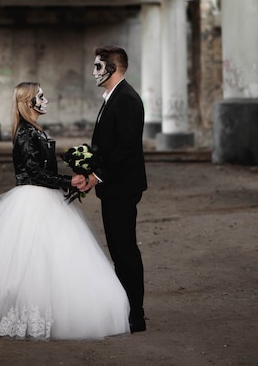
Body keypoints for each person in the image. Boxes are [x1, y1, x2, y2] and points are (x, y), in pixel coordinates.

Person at [0, 82, 130, 341]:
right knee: (29, 259)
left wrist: (70, 173)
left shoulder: (36, 130)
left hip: (46, 196)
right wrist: (68, 182)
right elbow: (33, 173)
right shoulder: (25, 133)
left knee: (49, 258)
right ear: (28, 102)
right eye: (40, 96)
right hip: (32, 199)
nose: (45, 99)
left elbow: (45, 170)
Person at [77, 46, 148, 333]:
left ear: (112, 68)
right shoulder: (113, 98)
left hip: (121, 187)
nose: (94, 72)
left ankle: (135, 315)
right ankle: (127, 310)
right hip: (114, 186)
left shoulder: (127, 100)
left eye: (98, 67)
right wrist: (88, 165)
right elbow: (107, 145)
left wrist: (96, 175)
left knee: (125, 250)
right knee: (119, 250)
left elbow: (125, 149)